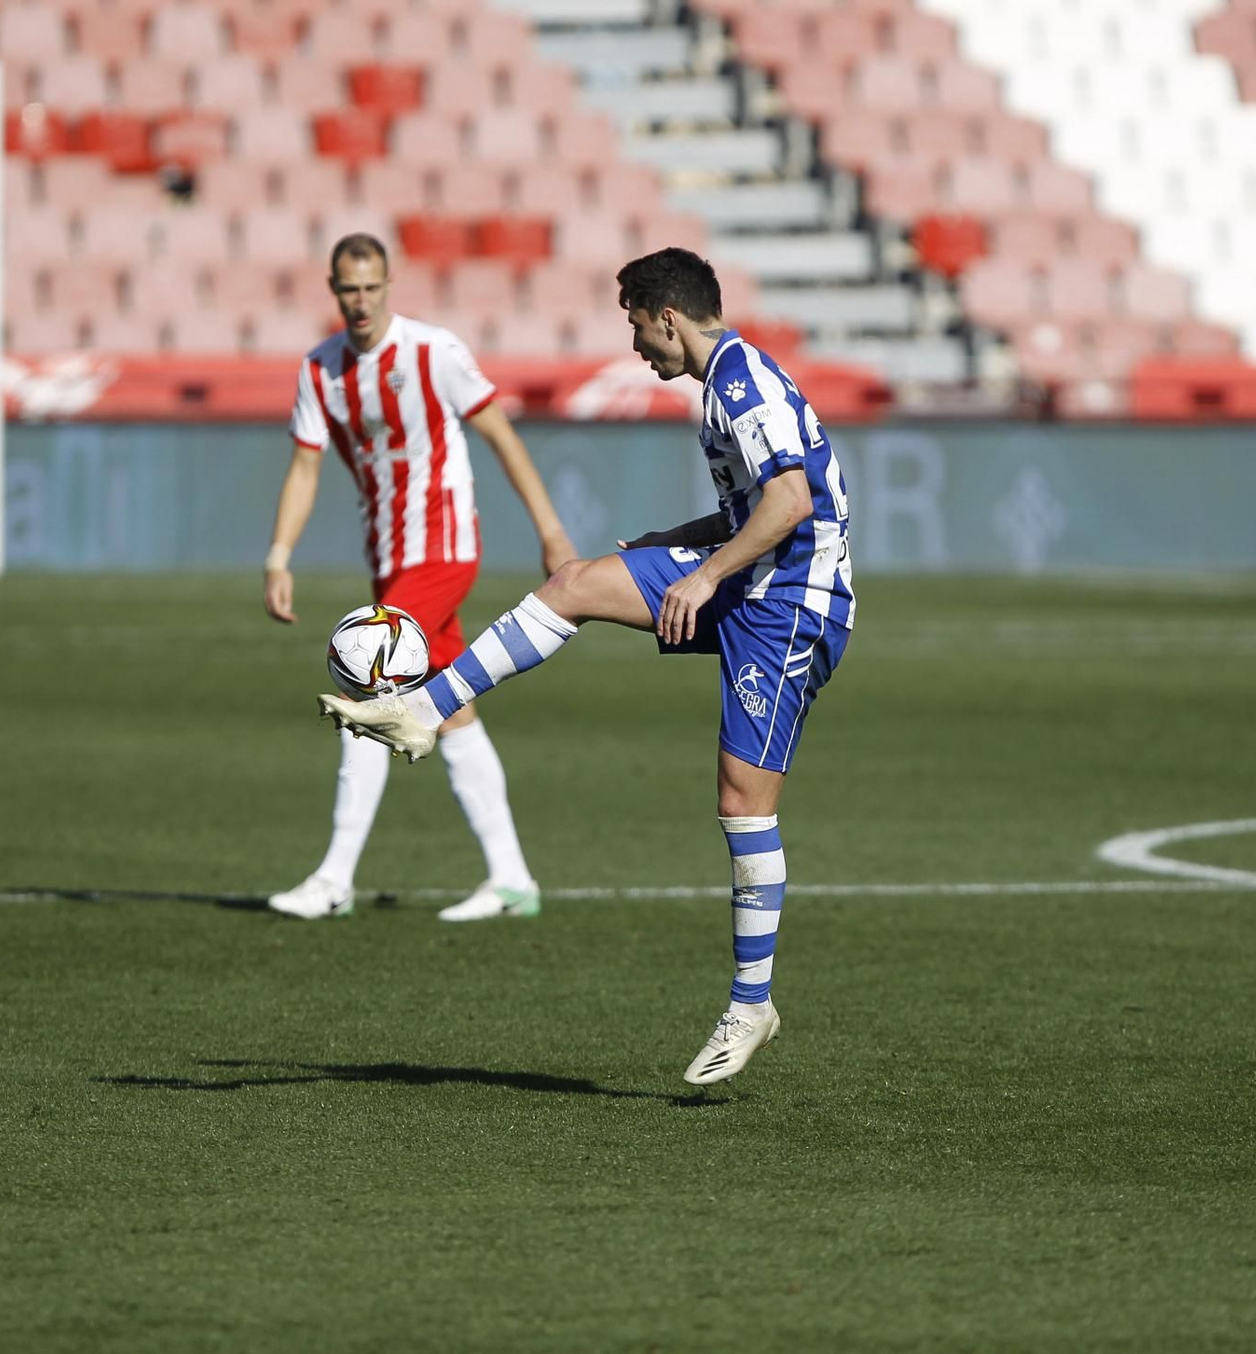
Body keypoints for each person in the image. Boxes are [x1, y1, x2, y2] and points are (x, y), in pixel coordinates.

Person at [319, 247, 854, 1085]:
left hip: (791, 607)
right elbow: (752, 509)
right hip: (747, 580)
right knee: (572, 585)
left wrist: (701, 575)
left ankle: (753, 1003)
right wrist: (679, 543)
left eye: (637, 327)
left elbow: (791, 503)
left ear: (668, 317)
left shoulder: (742, 381)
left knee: (742, 805)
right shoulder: (727, 381)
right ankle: (422, 709)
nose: (636, 346)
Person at [263, 232, 576, 923]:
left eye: (371, 287)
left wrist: (551, 531)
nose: (361, 301)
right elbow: (306, 467)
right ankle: (513, 880)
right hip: (388, 558)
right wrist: (279, 555)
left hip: (444, 546)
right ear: (333, 290)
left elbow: (501, 436)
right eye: (349, 289)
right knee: (454, 704)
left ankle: (334, 879)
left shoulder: (433, 352)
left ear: (389, 285)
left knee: (368, 685)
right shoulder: (320, 370)